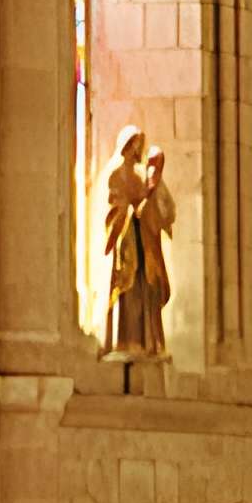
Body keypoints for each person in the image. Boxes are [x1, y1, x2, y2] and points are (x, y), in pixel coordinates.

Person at [103, 126, 175, 357]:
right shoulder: (115, 174)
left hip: (143, 237)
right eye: (134, 144)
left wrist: (150, 194)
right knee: (127, 285)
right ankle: (125, 339)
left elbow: (160, 205)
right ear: (125, 146)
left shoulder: (142, 173)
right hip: (127, 237)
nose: (137, 149)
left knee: (146, 285)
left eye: (138, 144)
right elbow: (113, 205)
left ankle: (146, 341)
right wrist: (128, 208)